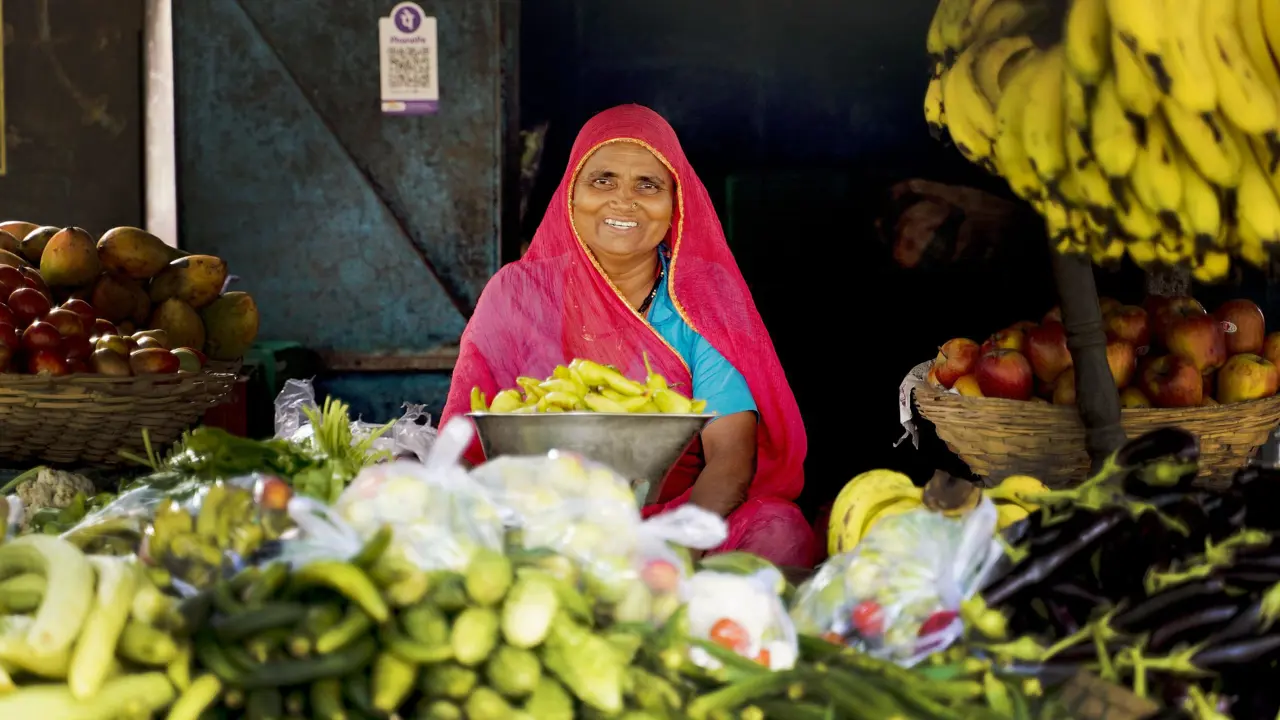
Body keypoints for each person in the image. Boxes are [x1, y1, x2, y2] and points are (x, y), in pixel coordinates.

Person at [440, 104, 815, 567]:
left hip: (673, 517)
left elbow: (730, 453)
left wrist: (669, 549)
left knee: (780, 532)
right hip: (542, 518)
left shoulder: (701, 299)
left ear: (675, 202)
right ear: (570, 195)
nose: (624, 200)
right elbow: (465, 438)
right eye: (603, 180)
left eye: (648, 185)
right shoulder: (517, 292)